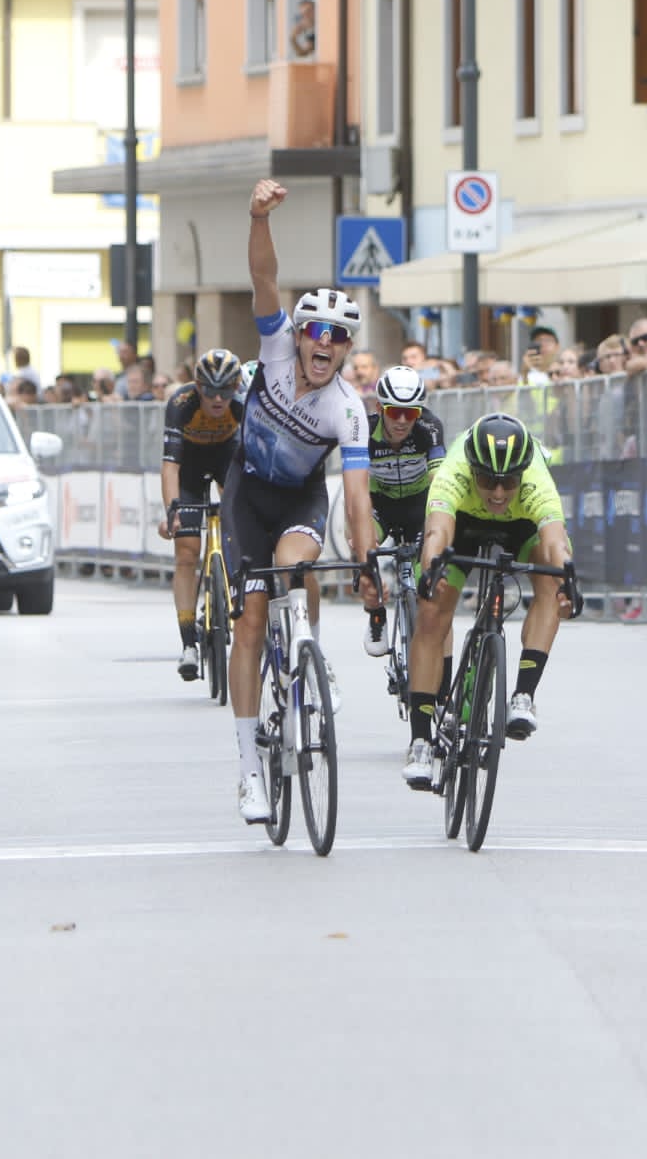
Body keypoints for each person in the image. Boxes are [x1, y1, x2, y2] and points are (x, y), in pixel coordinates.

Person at [221, 179, 378, 823]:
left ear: (346, 350)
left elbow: (357, 501)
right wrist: (258, 218)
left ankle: (310, 654)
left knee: (296, 566)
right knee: (251, 618)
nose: (323, 343)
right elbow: (264, 277)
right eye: (316, 330)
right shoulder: (277, 347)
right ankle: (248, 773)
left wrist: (368, 566)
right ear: (302, 333)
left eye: (337, 337)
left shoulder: (349, 410)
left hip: (298, 498)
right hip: (247, 491)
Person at [405, 414, 576, 786]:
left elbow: (554, 541)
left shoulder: (536, 479)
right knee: (431, 612)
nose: (498, 493)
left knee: (552, 582)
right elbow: (437, 532)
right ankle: (420, 741)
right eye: (487, 481)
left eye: (508, 482)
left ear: (522, 475)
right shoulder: (453, 472)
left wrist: (568, 580)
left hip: (520, 526)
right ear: (473, 471)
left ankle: (523, 696)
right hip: (463, 524)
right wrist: (431, 569)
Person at [159, 348, 244, 680]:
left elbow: (251, 462)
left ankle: (235, 602)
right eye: (210, 390)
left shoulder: (242, 403)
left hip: (227, 458)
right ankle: (188, 643)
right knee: (186, 552)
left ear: (236, 387)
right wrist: (172, 510)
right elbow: (170, 467)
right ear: (197, 387)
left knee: (241, 531)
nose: (218, 399)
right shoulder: (181, 404)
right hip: (189, 467)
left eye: (226, 390)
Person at [362, 365, 446, 669]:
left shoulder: (430, 427)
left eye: (409, 413)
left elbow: (439, 482)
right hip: (379, 506)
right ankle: (376, 614)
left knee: (428, 567)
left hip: (417, 506)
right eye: (394, 412)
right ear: (379, 408)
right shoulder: (364, 431)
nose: (401, 421)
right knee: (361, 543)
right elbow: (356, 489)